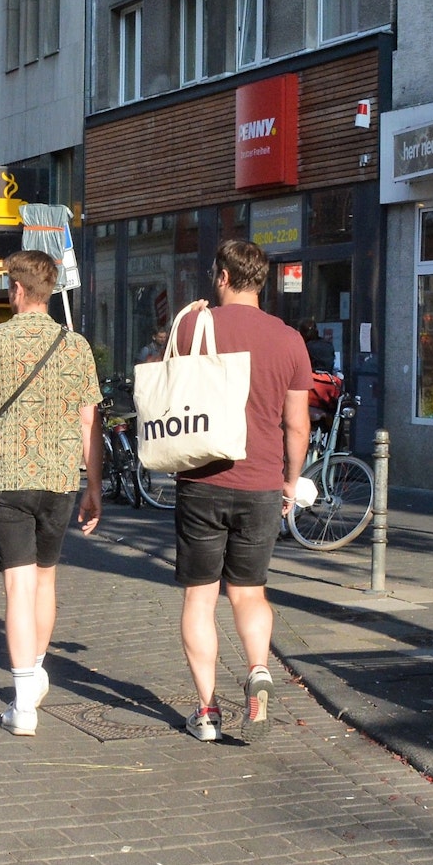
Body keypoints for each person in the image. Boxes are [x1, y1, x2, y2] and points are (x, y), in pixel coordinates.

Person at [0, 250, 103, 736]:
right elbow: (90, 422)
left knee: (17, 585)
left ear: (18, 290)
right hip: (59, 478)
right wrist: (93, 485)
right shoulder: (76, 347)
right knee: (45, 580)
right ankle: (36, 669)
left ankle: (24, 700)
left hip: (7, 477)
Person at [171, 239, 312, 743]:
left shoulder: (193, 324)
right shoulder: (290, 340)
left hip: (202, 482)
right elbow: (297, 426)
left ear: (223, 277)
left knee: (200, 598)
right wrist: (289, 482)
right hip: (260, 486)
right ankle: (257, 668)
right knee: (249, 592)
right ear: (263, 281)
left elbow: (172, 386)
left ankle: (207, 711)